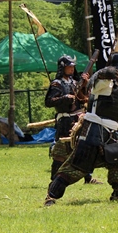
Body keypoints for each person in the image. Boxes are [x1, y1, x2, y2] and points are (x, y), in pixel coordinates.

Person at [44, 51, 118, 205]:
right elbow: (99, 75)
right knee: (77, 166)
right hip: (93, 130)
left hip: (110, 132)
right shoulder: (102, 81)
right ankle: (51, 196)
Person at [45, 55, 101, 184]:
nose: (71, 69)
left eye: (72, 67)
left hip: (78, 118)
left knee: (83, 147)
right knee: (61, 150)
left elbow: (83, 99)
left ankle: (88, 177)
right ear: (63, 68)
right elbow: (48, 102)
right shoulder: (56, 84)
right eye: (69, 67)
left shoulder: (75, 82)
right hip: (65, 121)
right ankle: (54, 180)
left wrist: (85, 85)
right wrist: (64, 98)